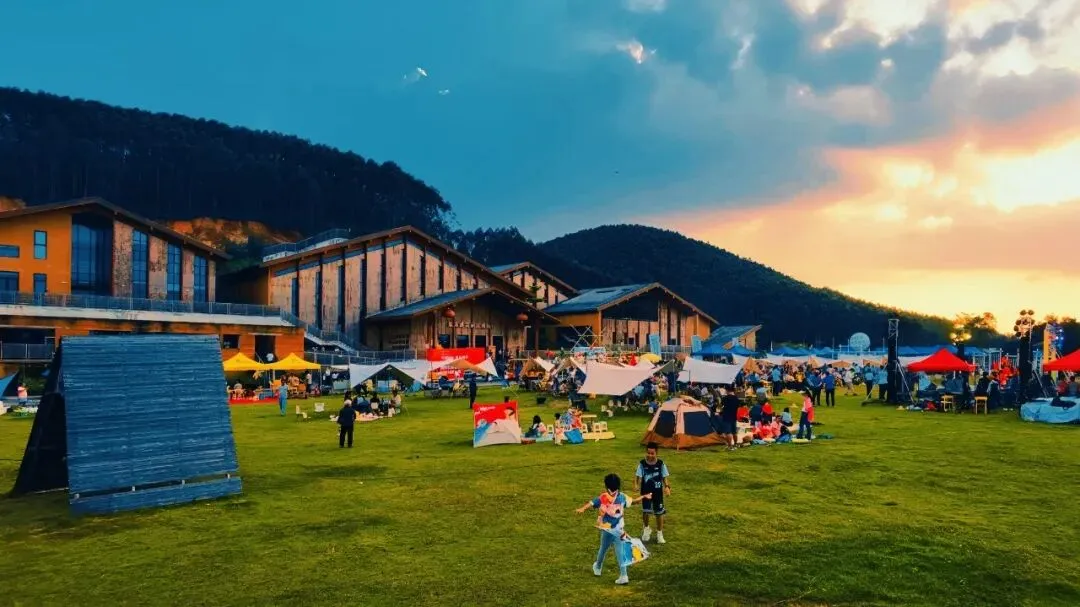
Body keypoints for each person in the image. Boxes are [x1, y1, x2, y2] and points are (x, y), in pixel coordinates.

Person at [575, 473, 651, 585]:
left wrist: (582, 509)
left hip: (607, 530)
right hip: (619, 530)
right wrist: (644, 497)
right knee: (620, 552)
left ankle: (598, 567)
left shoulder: (603, 497)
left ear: (607, 486)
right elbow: (635, 501)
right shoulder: (622, 497)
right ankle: (624, 575)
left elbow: (591, 503)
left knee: (603, 549)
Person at [636, 443, 671, 544]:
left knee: (659, 513)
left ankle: (660, 534)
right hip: (646, 493)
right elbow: (638, 476)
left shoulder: (661, 464)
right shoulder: (642, 464)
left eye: (652, 453)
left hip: (658, 493)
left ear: (656, 453)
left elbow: (665, 477)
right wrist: (636, 485)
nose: (650, 455)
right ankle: (646, 529)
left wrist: (667, 487)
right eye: (648, 453)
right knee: (646, 512)